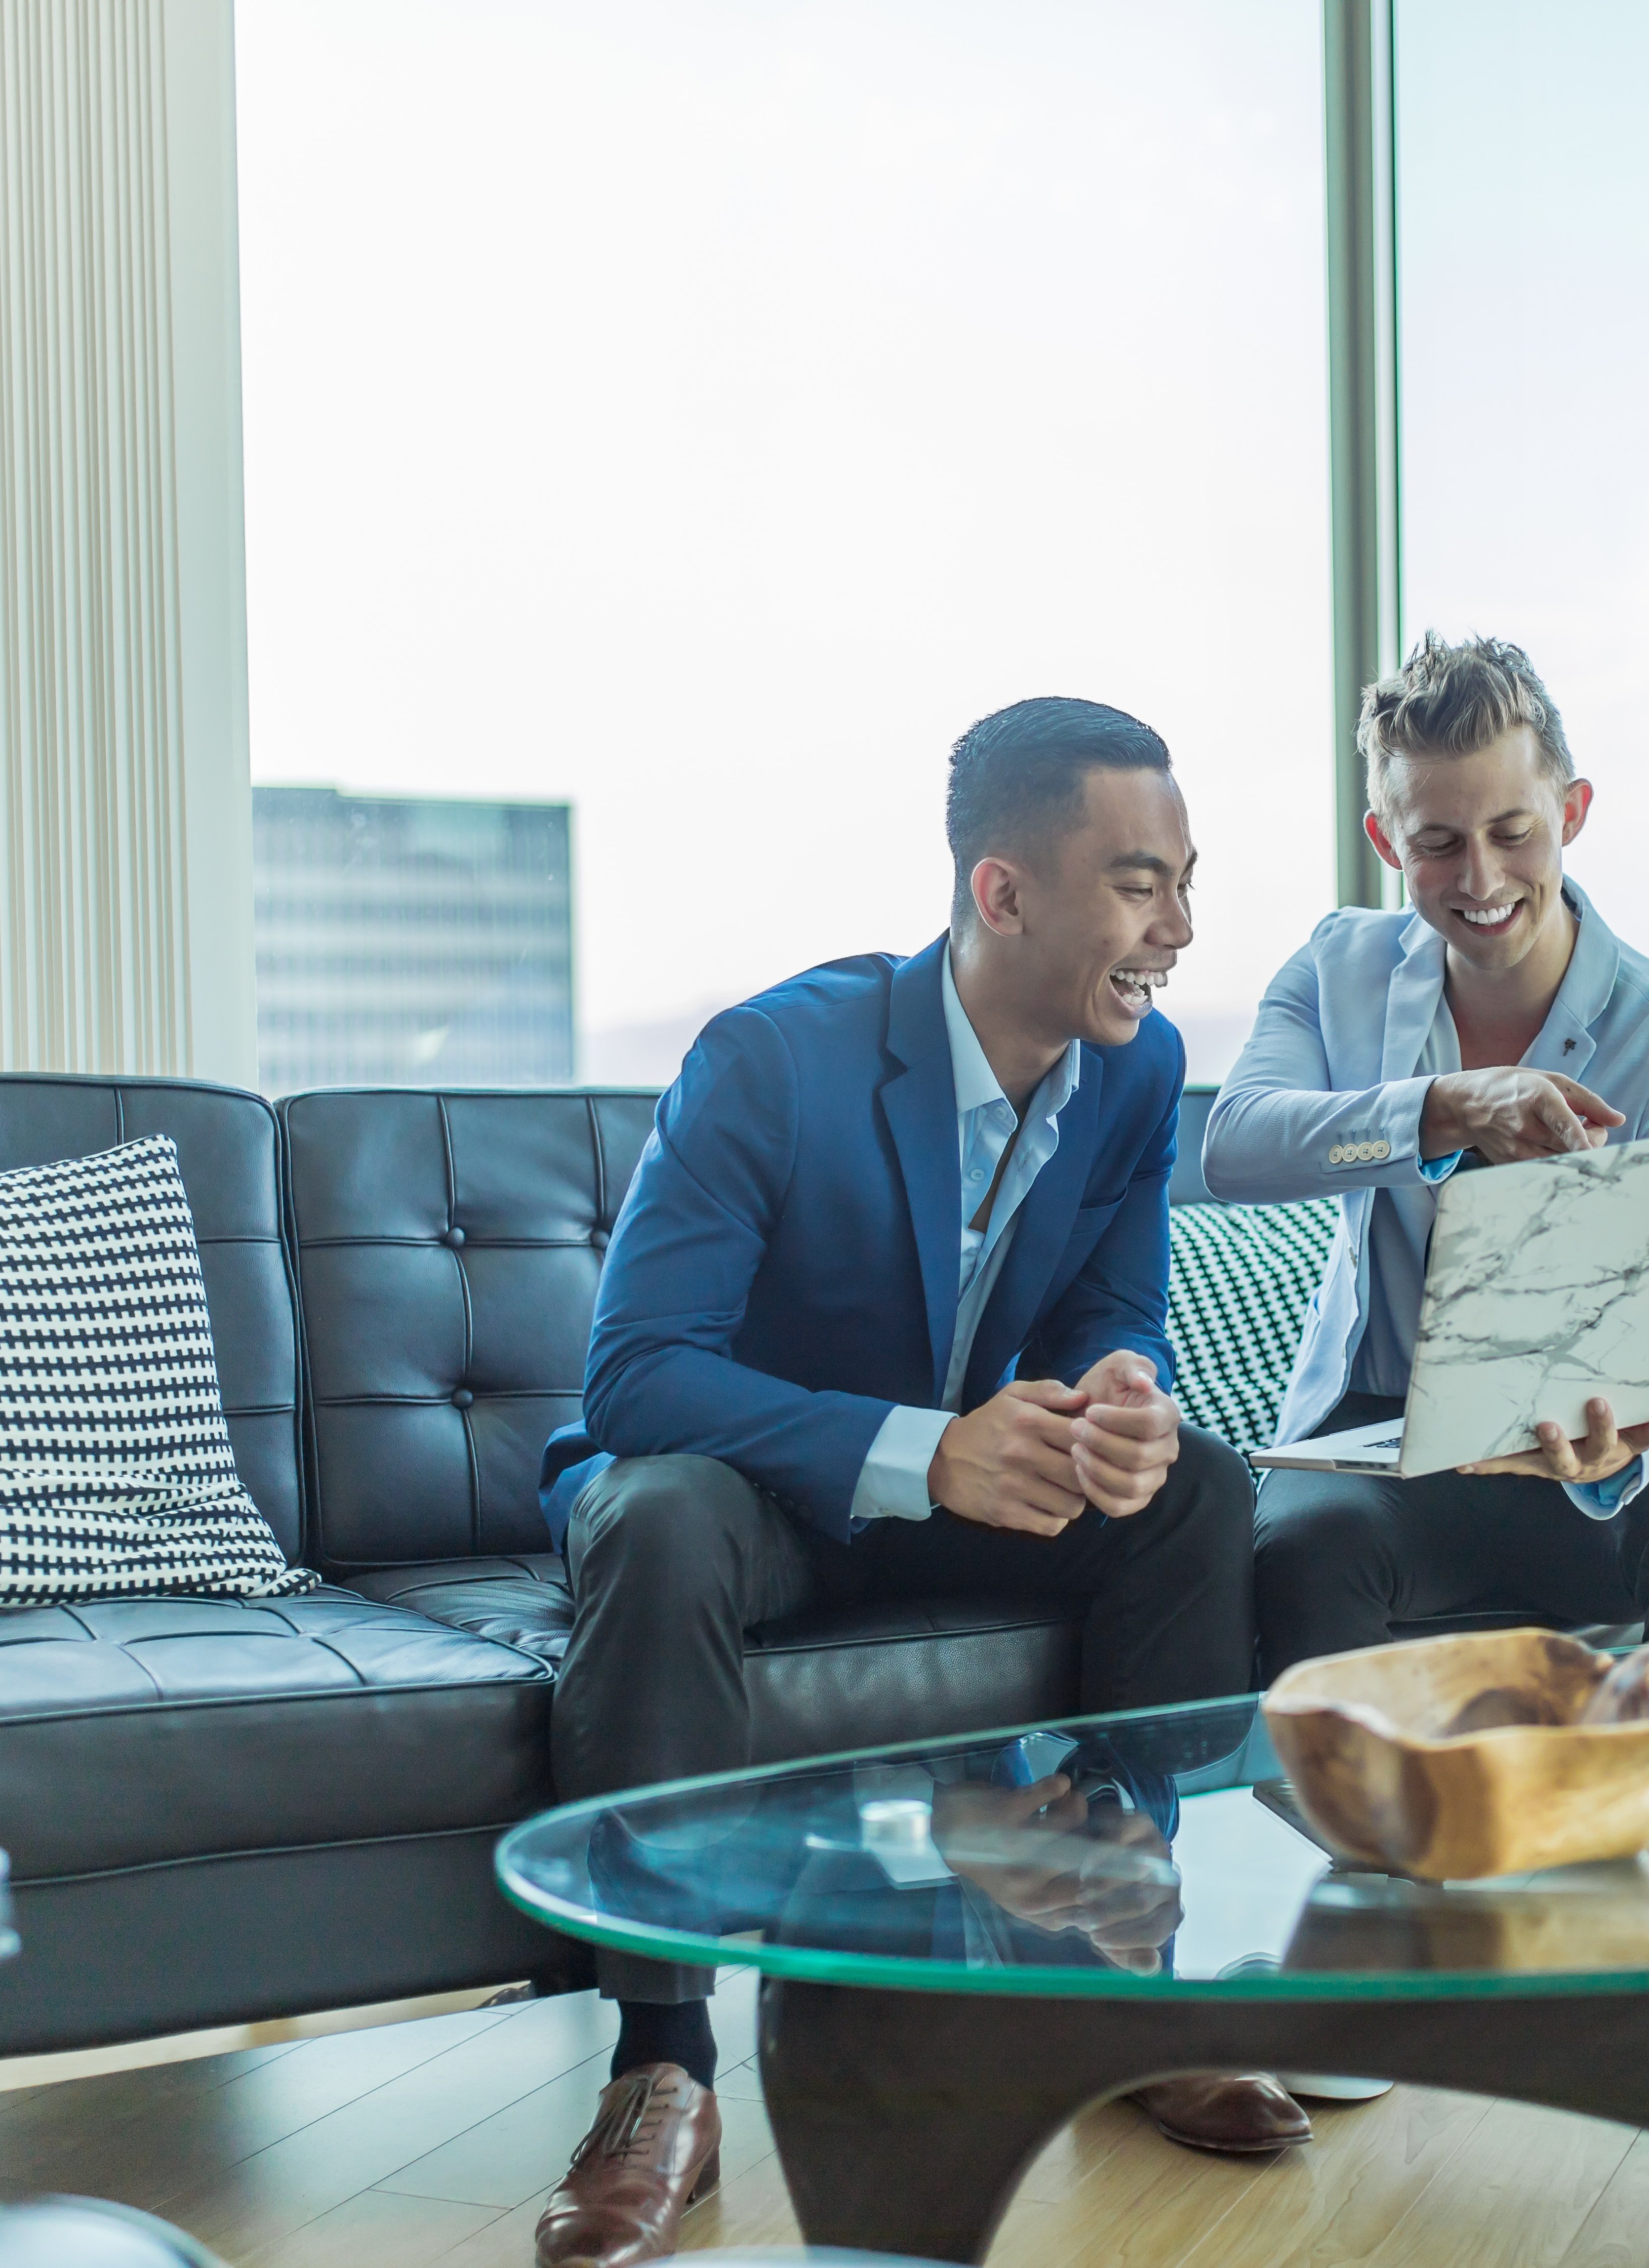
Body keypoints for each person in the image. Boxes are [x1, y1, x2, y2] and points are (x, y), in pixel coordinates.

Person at [527, 698, 1294, 2268]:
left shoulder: (1138, 1076)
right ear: (1003, 893)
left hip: (974, 1494)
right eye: (1142, 883)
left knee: (1196, 1491)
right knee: (657, 1516)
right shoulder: (771, 1058)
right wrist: (919, 1448)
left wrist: (1127, 1386)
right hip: (756, 1500)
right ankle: (661, 2068)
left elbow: (1110, 1305)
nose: (1182, 928)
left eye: (1188, 880)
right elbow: (638, 1377)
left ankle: (1116, 1967)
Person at [1204, 633, 1649, 1681]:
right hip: (1384, 1440)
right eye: (1438, 842)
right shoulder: (1336, 971)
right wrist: (1445, 1108)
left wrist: (1631, 1438)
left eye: (1513, 830)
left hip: (1601, 1447)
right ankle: (1363, 1847)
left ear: (1573, 811)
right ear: (1385, 839)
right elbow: (1236, 1145)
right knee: (1301, 1548)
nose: (1481, 878)